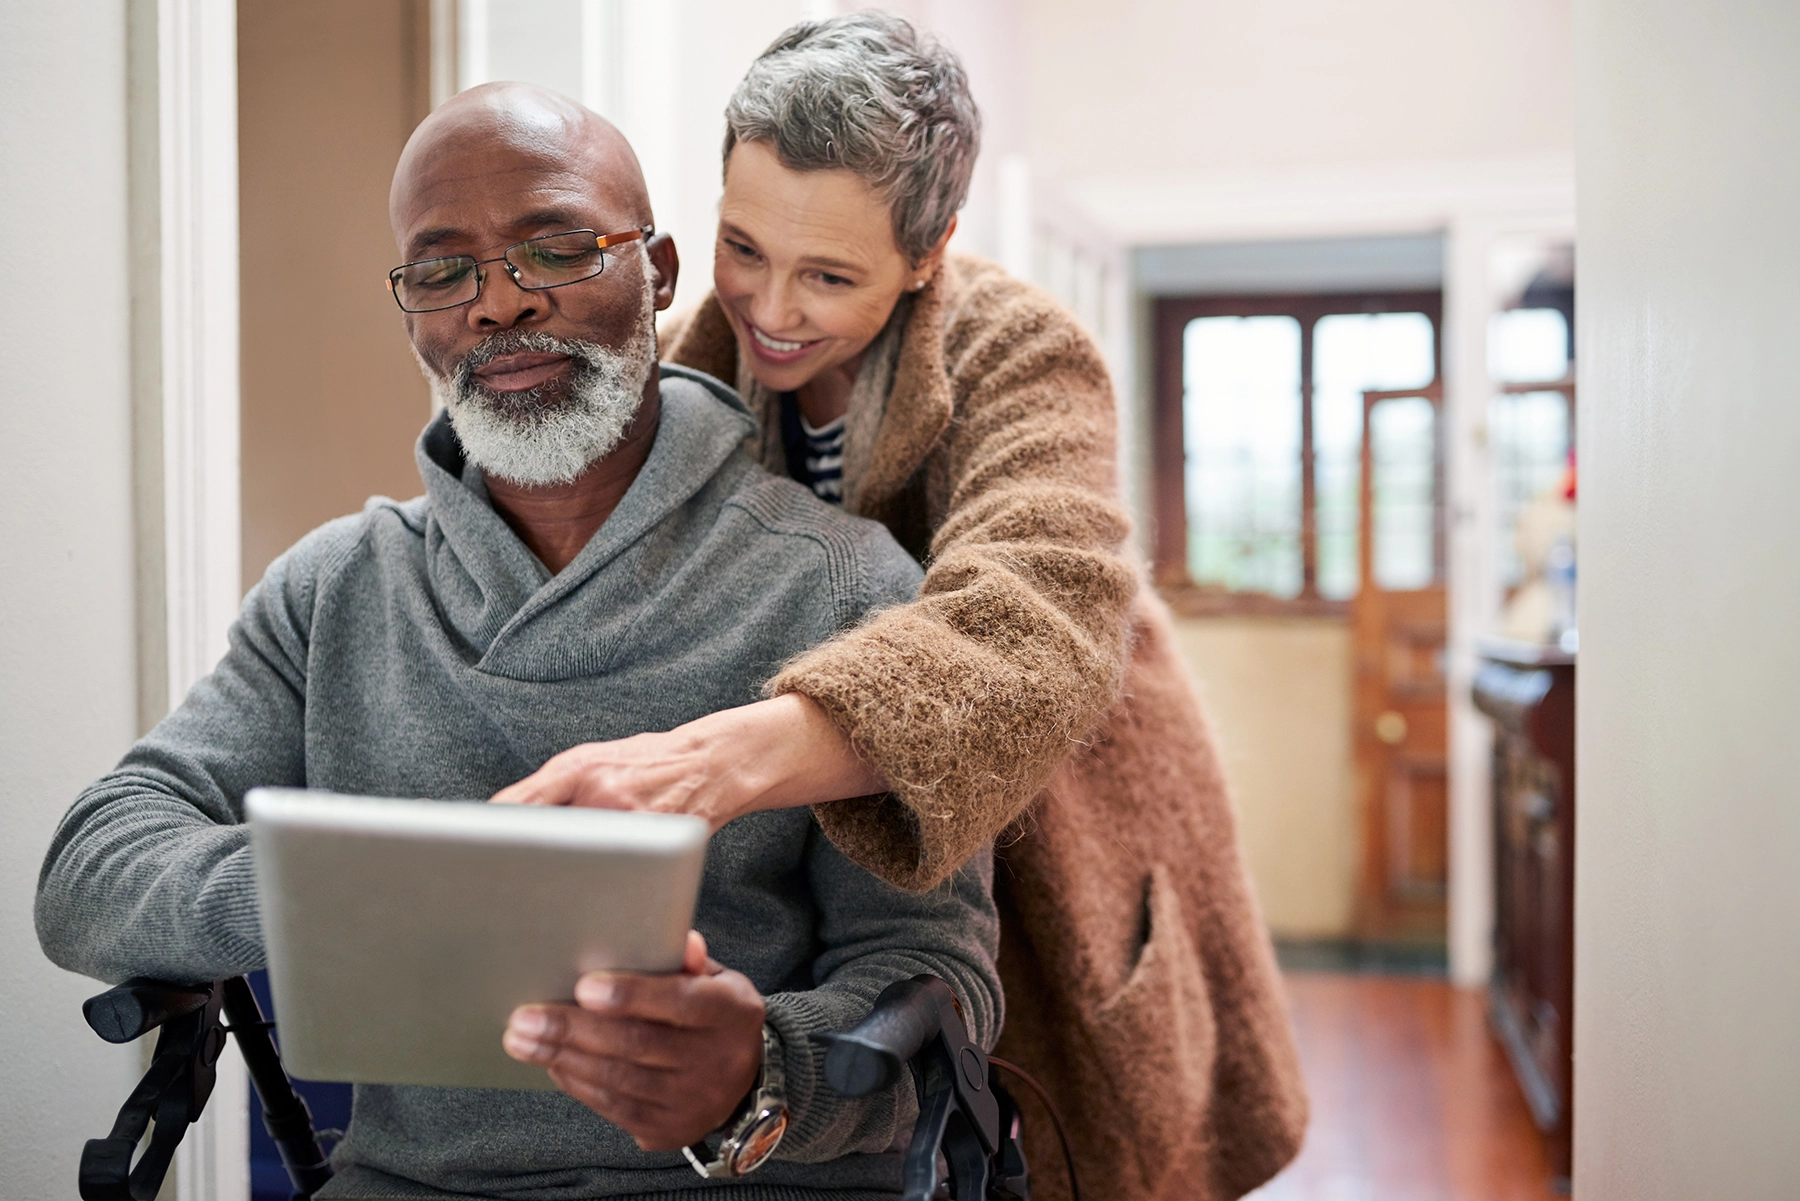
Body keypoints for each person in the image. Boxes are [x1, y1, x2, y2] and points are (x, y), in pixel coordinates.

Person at [35, 83, 1001, 1201]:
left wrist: (759, 1077)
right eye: (442, 270)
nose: (496, 306)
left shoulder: (842, 582)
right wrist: (360, 890)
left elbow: (937, 976)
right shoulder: (338, 586)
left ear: (661, 274)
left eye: (554, 248)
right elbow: (91, 868)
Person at [494, 14, 1307, 1201]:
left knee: (1084, 1149)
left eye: (830, 275)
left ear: (929, 254)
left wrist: (716, 763)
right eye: (743, 246)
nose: (771, 307)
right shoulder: (687, 368)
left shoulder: (1023, 354)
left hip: (1063, 826)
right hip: (848, 881)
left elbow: (1037, 617)